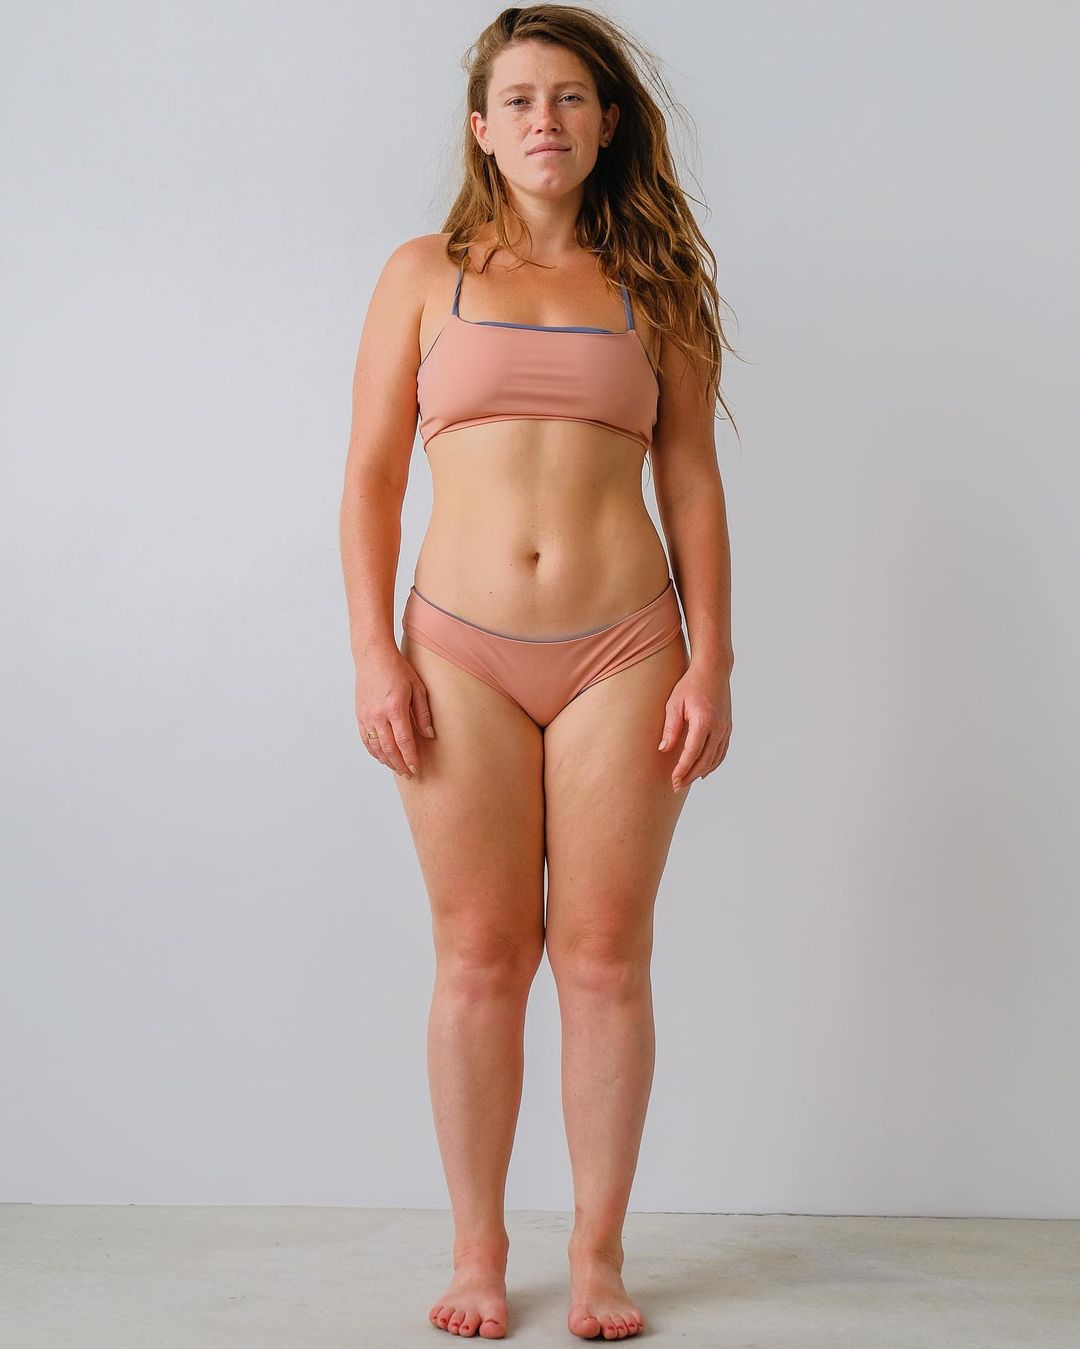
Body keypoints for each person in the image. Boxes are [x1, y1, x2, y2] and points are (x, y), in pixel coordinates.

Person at [339, 5, 736, 1339]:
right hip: (457, 647)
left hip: (627, 646)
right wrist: (374, 652)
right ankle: (478, 1251)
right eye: (518, 100)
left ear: (606, 121)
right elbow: (370, 479)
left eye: (569, 97)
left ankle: (600, 1255)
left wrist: (713, 661)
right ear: (481, 128)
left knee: (606, 955)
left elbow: (692, 481)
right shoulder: (421, 275)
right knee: (479, 953)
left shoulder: (658, 283)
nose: (544, 120)